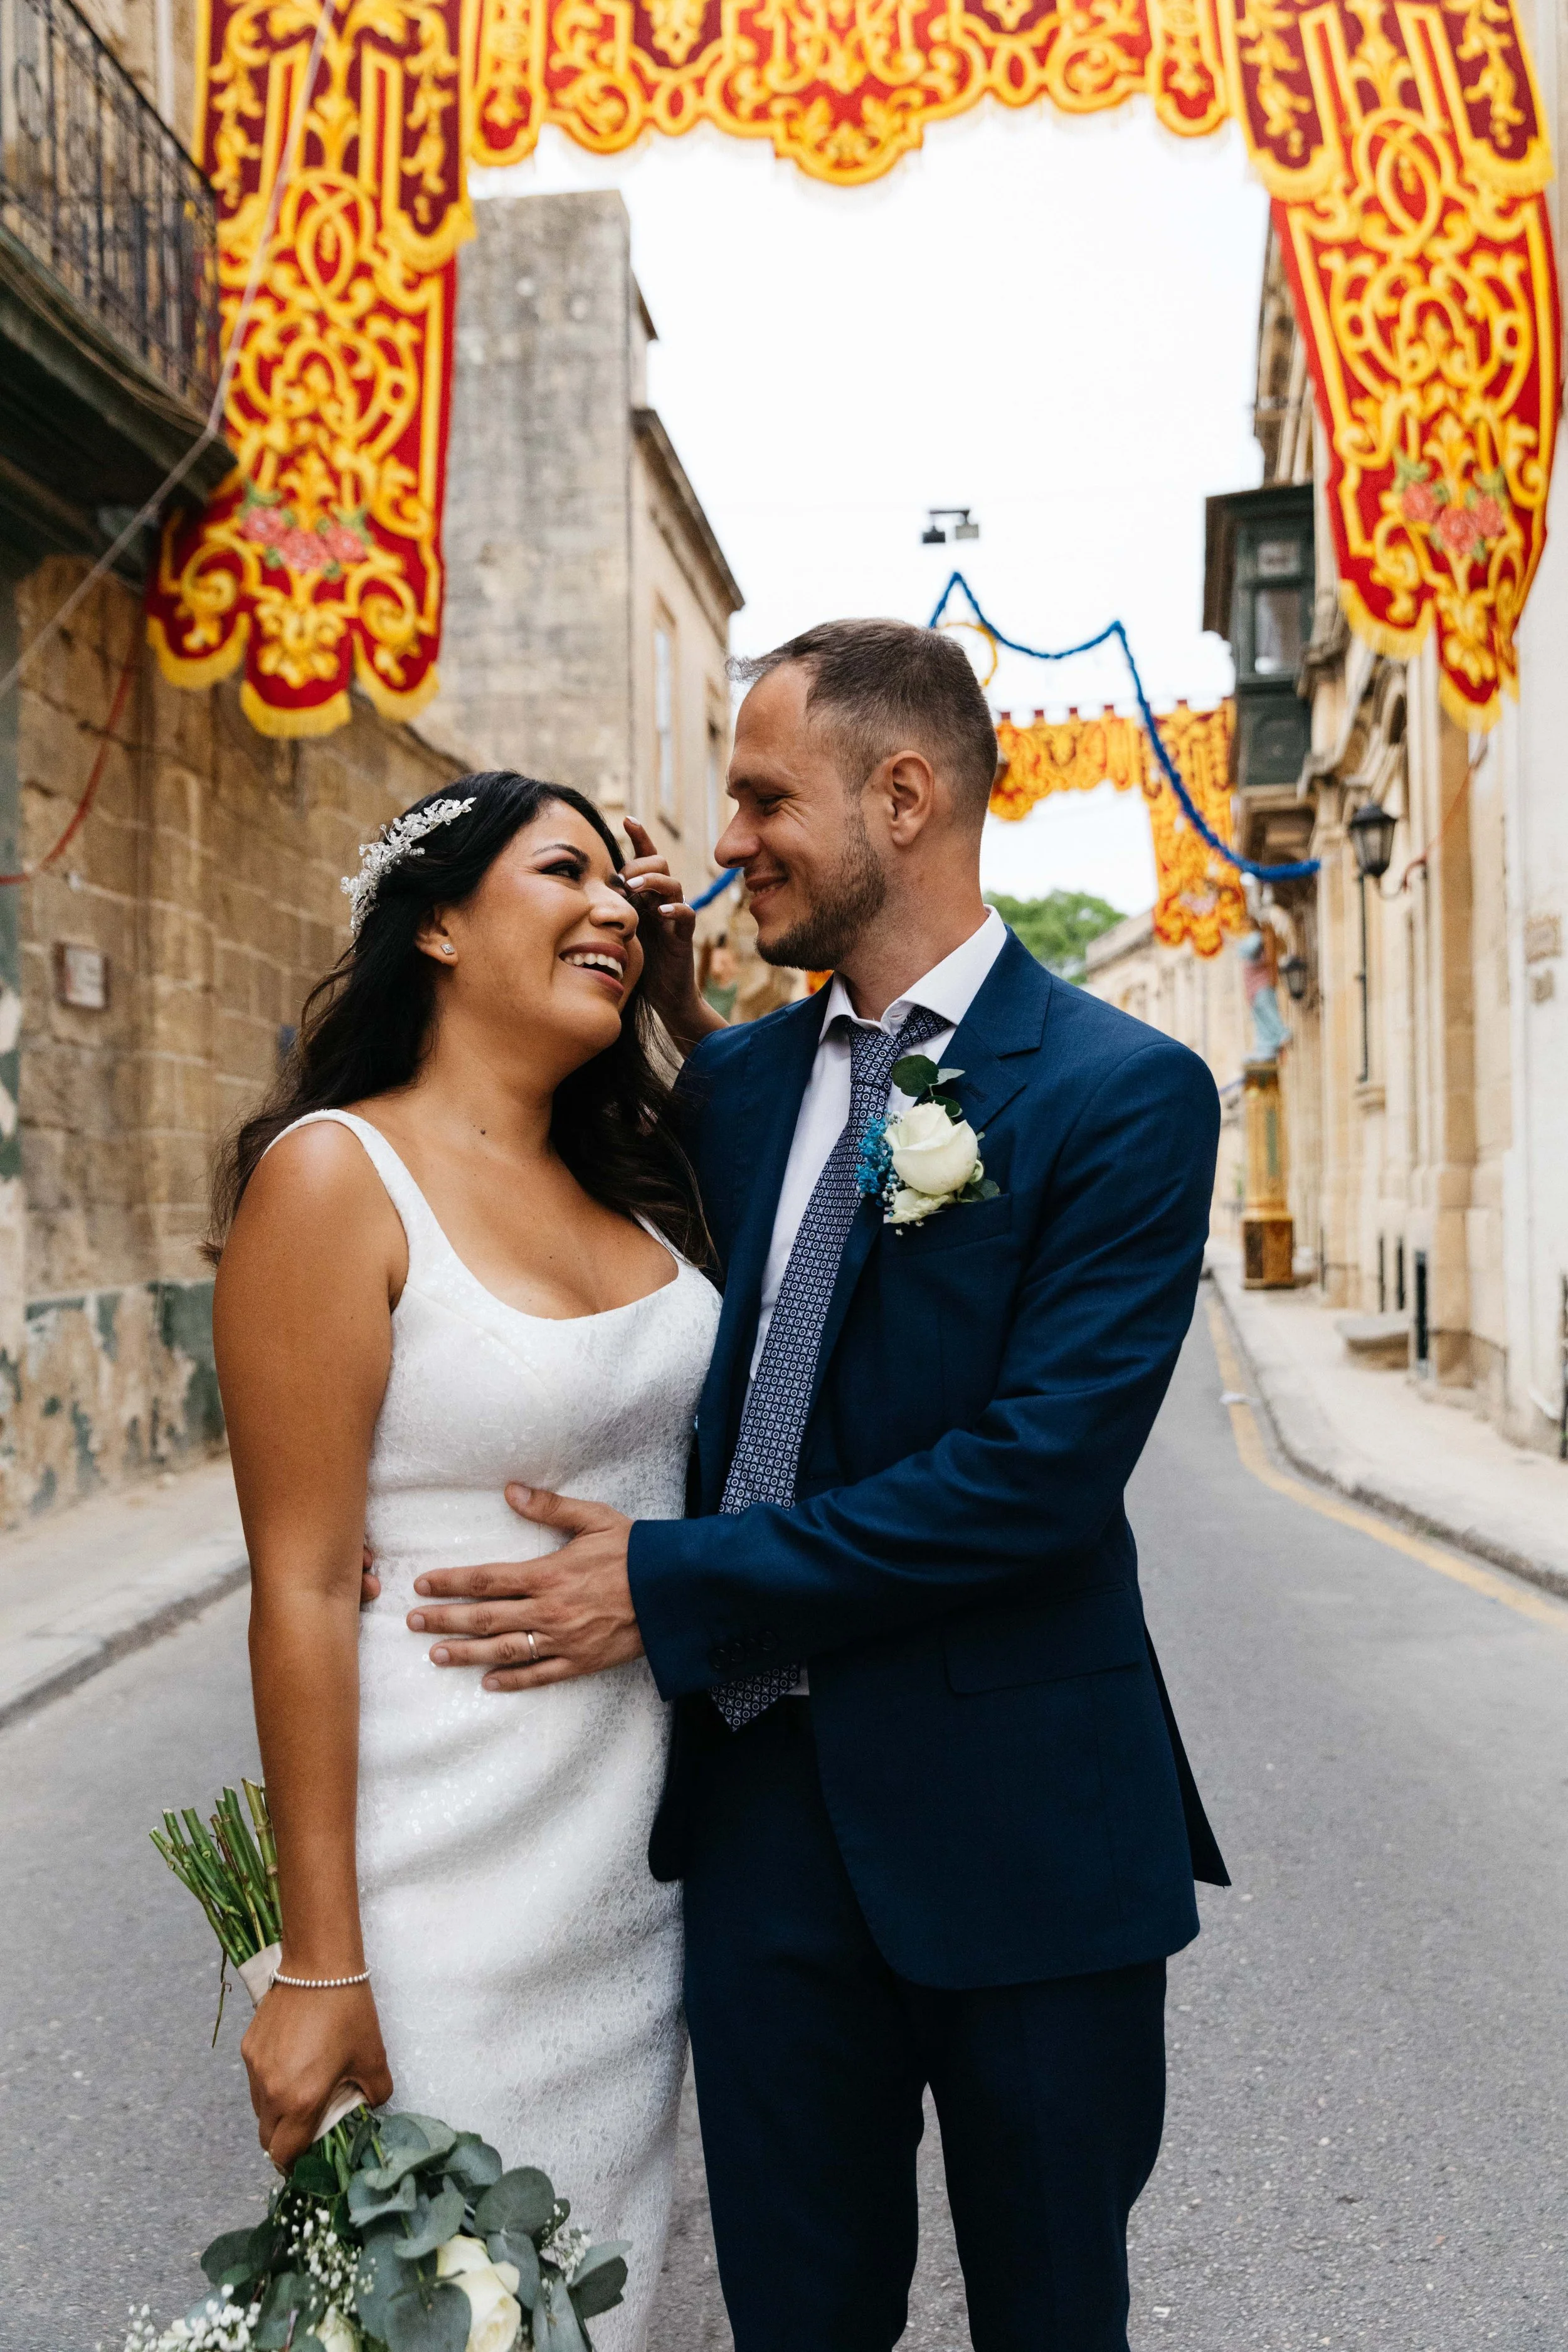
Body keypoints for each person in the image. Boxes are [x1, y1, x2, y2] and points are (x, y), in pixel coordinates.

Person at [408, 621, 1229, 2350]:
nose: (725, 840)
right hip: (763, 1820)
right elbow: (558, 1287)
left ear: (905, 795)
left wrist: (671, 1578)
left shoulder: (1120, 1091)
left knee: (1052, 2311)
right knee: (791, 2315)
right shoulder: (731, 1083)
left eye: (764, 795)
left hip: (1025, 1833)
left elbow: (1033, 1480)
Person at [211, 775, 724, 2351]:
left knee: (622, 2307)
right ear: (435, 923)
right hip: (440, 1894)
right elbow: (296, 1584)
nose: (611, 911)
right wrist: (314, 1964)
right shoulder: (333, 1177)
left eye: (622, 888)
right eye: (557, 871)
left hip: (637, 1894)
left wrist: (695, 1014)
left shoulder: (650, 1177)